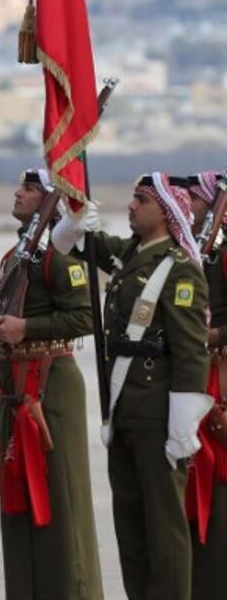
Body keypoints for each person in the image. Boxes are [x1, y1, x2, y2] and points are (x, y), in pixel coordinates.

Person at [53, 172, 212, 599]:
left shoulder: (179, 270)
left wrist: (183, 421)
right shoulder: (130, 254)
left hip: (158, 412)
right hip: (123, 409)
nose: (131, 205)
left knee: (164, 527)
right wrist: (76, 216)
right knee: (131, 525)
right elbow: (73, 243)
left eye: (141, 200)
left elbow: (191, 350)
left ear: (166, 211)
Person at [0, 169, 102, 599]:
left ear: (50, 201)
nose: (18, 193)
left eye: (30, 188)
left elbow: (87, 317)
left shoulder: (59, 257)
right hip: (17, 387)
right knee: (18, 499)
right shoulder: (16, 256)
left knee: (60, 500)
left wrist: (27, 327)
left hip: (50, 387)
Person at [180, 171, 227, 600]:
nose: (185, 204)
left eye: (192, 197)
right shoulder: (192, 253)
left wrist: (206, 336)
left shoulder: (221, 253)